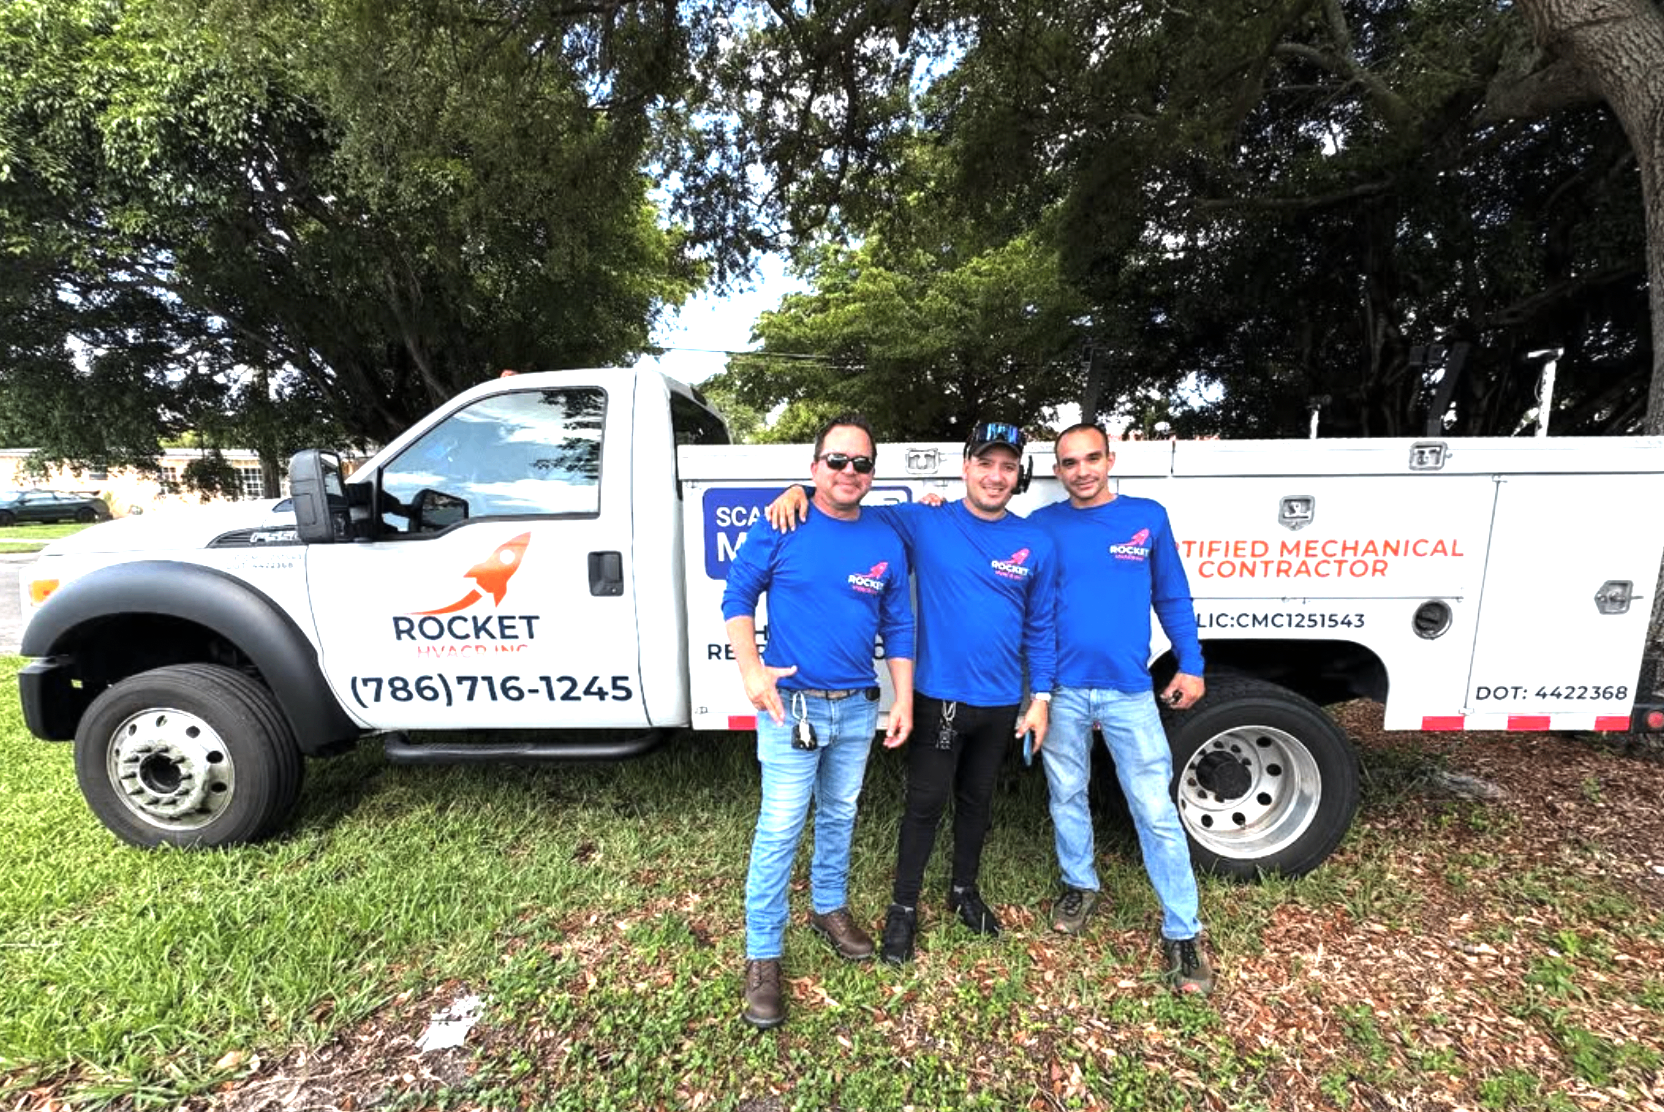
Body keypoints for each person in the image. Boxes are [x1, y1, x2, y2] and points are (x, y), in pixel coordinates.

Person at [767, 421, 1055, 965]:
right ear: (966, 468)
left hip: (1000, 701)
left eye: (1008, 467)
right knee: (924, 804)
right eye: (986, 463)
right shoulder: (925, 521)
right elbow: (844, 500)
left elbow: (1041, 627)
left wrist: (1039, 697)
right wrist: (798, 490)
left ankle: (964, 891)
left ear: (1019, 475)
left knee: (977, 801)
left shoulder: (1035, 542)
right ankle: (903, 908)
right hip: (938, 696)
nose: (996, 476)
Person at [722, 413, 916, 1030]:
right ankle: (763, 955)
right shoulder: (783, 520)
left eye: (861, 463)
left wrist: (903, 699)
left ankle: (828, 908)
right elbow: (737, 596)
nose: (848, 471)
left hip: (857, 705)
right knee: (781, 827)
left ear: (872, 473)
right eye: (836, 460)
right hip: (791, 707)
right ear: (814, 468)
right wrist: (751, 671)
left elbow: (900, 624)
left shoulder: (886, 534)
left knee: (840, 814)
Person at [1028, 423, 1215, 995]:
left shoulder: (1147, 518)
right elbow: (1029, 606)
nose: (1081, 471)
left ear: (1111, 460)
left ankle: (1183, 929)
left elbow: (1172, 594)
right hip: (1062, 690)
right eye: (1069, 463)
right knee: (1067, 793)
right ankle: (1080, 884)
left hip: (1129, 691)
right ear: (1057, 471)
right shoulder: (1042, 526)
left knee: (1154, 809)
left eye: (1091, 458)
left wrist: (1192, 662)